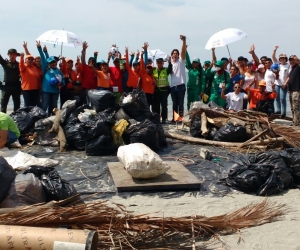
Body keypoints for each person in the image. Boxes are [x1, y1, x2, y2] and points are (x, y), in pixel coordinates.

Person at [37, 41, 65, 116]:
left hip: (55, 91)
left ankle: (52, 119)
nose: (53, 64)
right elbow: (43, 59)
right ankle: (41, 118)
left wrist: (61, 84)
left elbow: (63, 81)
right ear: (49, 64)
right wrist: (41, 49)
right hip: (46, 91)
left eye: (54, 62)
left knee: (54, 106)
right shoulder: (46, 69)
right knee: (44, 105)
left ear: (56, 63)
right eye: (51, 63)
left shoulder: (59, 71)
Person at [170, 35, 187, 120]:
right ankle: (175, 119)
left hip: (181, 86)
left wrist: (184, 41)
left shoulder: (181, 61)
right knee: (174, 104)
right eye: (174, 53)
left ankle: (180, 119)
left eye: (176, 53)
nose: (175, 55)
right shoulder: (170, 64)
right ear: (172, 55)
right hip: (173, 87)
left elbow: (183, 51)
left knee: (181, 103)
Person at [0, 48, 21, 113]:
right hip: (6, 87)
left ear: (16, 55)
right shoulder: (5, 63)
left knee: (17, 105)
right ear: (8, 55)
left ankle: (16, 119)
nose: (12, 56)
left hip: (16, 87)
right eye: (11, 54)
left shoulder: (19, 64)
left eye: (14, 54)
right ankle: (2, 119)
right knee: (3, 104)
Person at [152, 57, 172, 124]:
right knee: (156, 106)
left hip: (164, 91)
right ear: (157, 63)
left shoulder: (165, 70)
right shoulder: (153, 70)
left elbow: (170, 69)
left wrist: (169, 62)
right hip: (157, 91)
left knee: (164, 106)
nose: (159, 64)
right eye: (158, 63)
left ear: (163, 63)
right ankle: (157, 119)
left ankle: (164, 119)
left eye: (161, 63)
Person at [272, 46, 289, 118]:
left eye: (283, 58)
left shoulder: (288, 65)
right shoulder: (278, 64)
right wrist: (275, 49)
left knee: (283, 98)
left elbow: (289, 75)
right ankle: (278, 111)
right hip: (277, 84)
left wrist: (285, 83)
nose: (282, 59)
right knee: (277, 98)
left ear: (285, 59)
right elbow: (273, 57)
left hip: (284, 84)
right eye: (281, 58)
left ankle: (283, 113)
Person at [283, 55, 300, 126]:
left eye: (293, 60)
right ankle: (294, 121)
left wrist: (297, 59)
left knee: (296, 107)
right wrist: (285, 83)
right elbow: (289, 78)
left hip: (297, 90)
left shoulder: (298, 67)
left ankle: (296, 122)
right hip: (291, 90)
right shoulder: (292, 69)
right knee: (292, 108)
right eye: (290, 60)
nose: (291, 61)